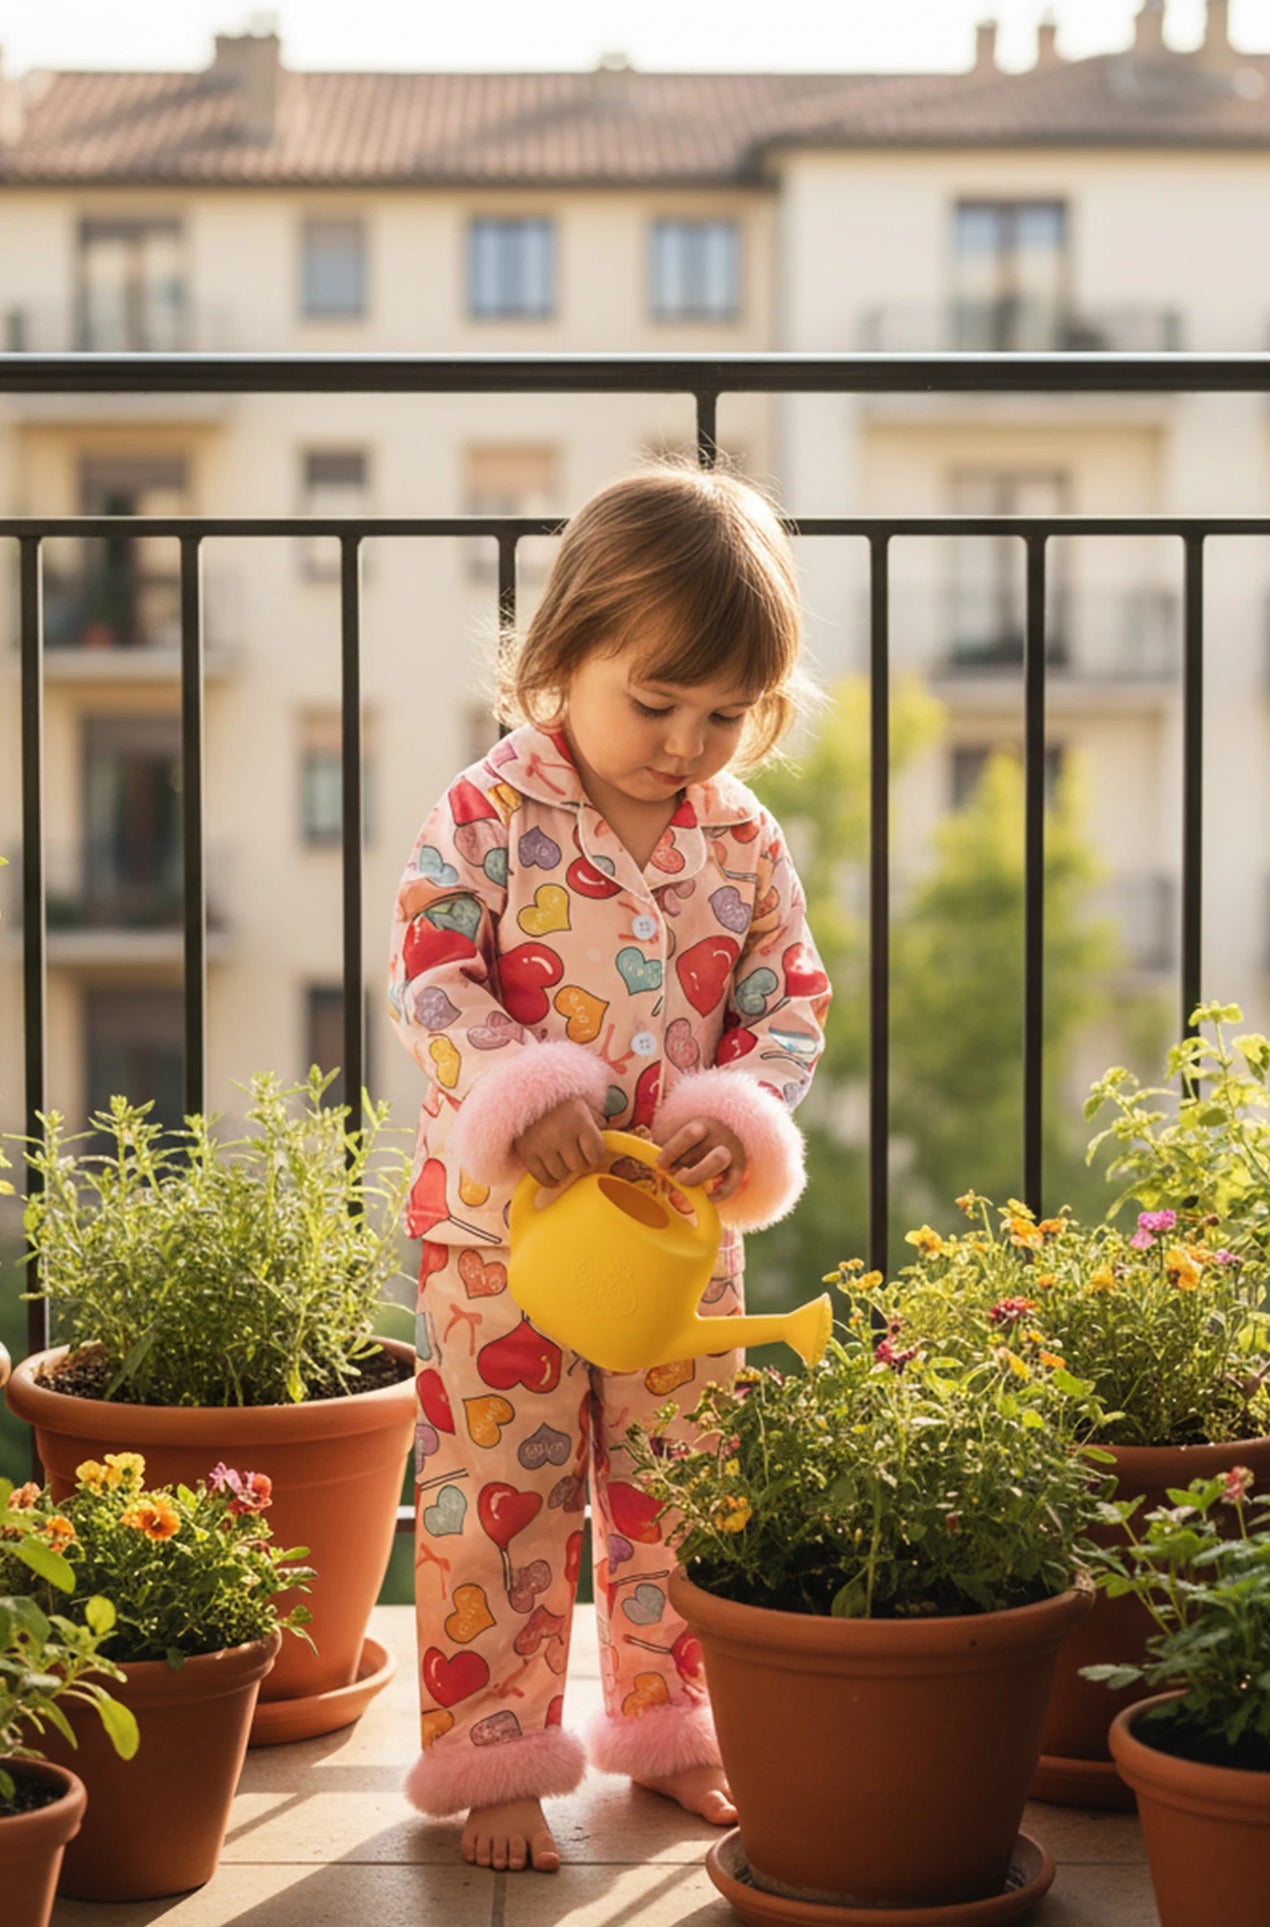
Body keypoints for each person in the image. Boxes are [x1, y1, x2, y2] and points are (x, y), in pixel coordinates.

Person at [387, 457, 832, 1874]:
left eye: (724, 715)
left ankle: (675, 1728)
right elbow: (435, 976)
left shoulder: (744, 838)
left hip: (678, 1243)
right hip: (498, 1246)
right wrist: (526, 1095)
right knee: (495, 1503)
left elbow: (788, 1003)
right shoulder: (483, 813)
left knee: (683, 1493)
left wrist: (740, 1109)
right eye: (654, 702)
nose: (686, 741)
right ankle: (496, 1759)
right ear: (562, 655)